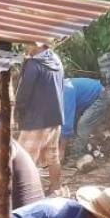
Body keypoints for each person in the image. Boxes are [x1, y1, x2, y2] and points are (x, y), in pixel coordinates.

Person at [16, 42, 66, 192]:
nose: (25, 46)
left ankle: (27, 194)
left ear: (38, 44)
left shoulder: (33, 64)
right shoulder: (56, 60)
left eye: (28, 43)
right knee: (52, 154)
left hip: (36, 121)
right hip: (55, 117)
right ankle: (55, 188)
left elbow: (23, 95)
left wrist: (19, 113)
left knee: (22, 159)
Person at [61, 76, 110, 167]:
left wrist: (61, 150)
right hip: (89, 98)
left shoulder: (65, 91)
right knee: (73, 126)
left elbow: (67, 125)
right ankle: (79, 148)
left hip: (100, 98)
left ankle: (75, 156)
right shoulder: (58, 88)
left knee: (82, 125)